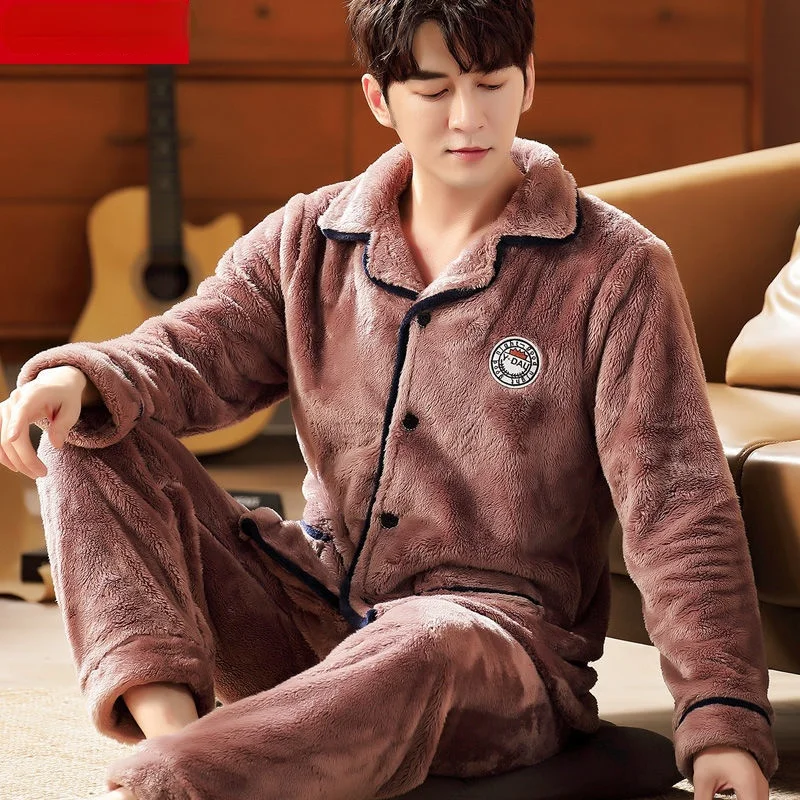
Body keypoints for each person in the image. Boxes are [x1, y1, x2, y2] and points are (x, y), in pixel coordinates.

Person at [0, 1, 779, 799]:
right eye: (434, 91)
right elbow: (193, 349)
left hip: (489, 652)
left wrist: (722, 720)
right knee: (84, 421)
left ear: (528, 81)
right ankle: (182, 747)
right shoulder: (308, 237)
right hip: (311, 612)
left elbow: (678, 504)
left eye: (490, 84)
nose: (468, 118)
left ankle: (194, 777)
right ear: (380, 98)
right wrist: (75, 378)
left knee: (427, 640)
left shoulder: (617, 269)